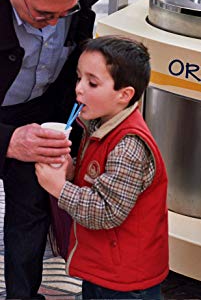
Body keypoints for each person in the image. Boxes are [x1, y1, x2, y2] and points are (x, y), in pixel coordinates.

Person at [0, 0, 107, 299]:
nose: (53, 23)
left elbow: (80, 35)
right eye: (43, 14)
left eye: (67, 10)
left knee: (30, 214)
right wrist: (8, 140)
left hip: (41, 108)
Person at [35, 36, 169, 299]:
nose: (79, 90)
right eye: (79, 78)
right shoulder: (98, 124)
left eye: (92, 83)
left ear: (124, 95)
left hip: (126, 280)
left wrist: (59, 188)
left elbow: (106, 211)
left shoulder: (128, 146)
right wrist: (72, 171)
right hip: (102, 266)